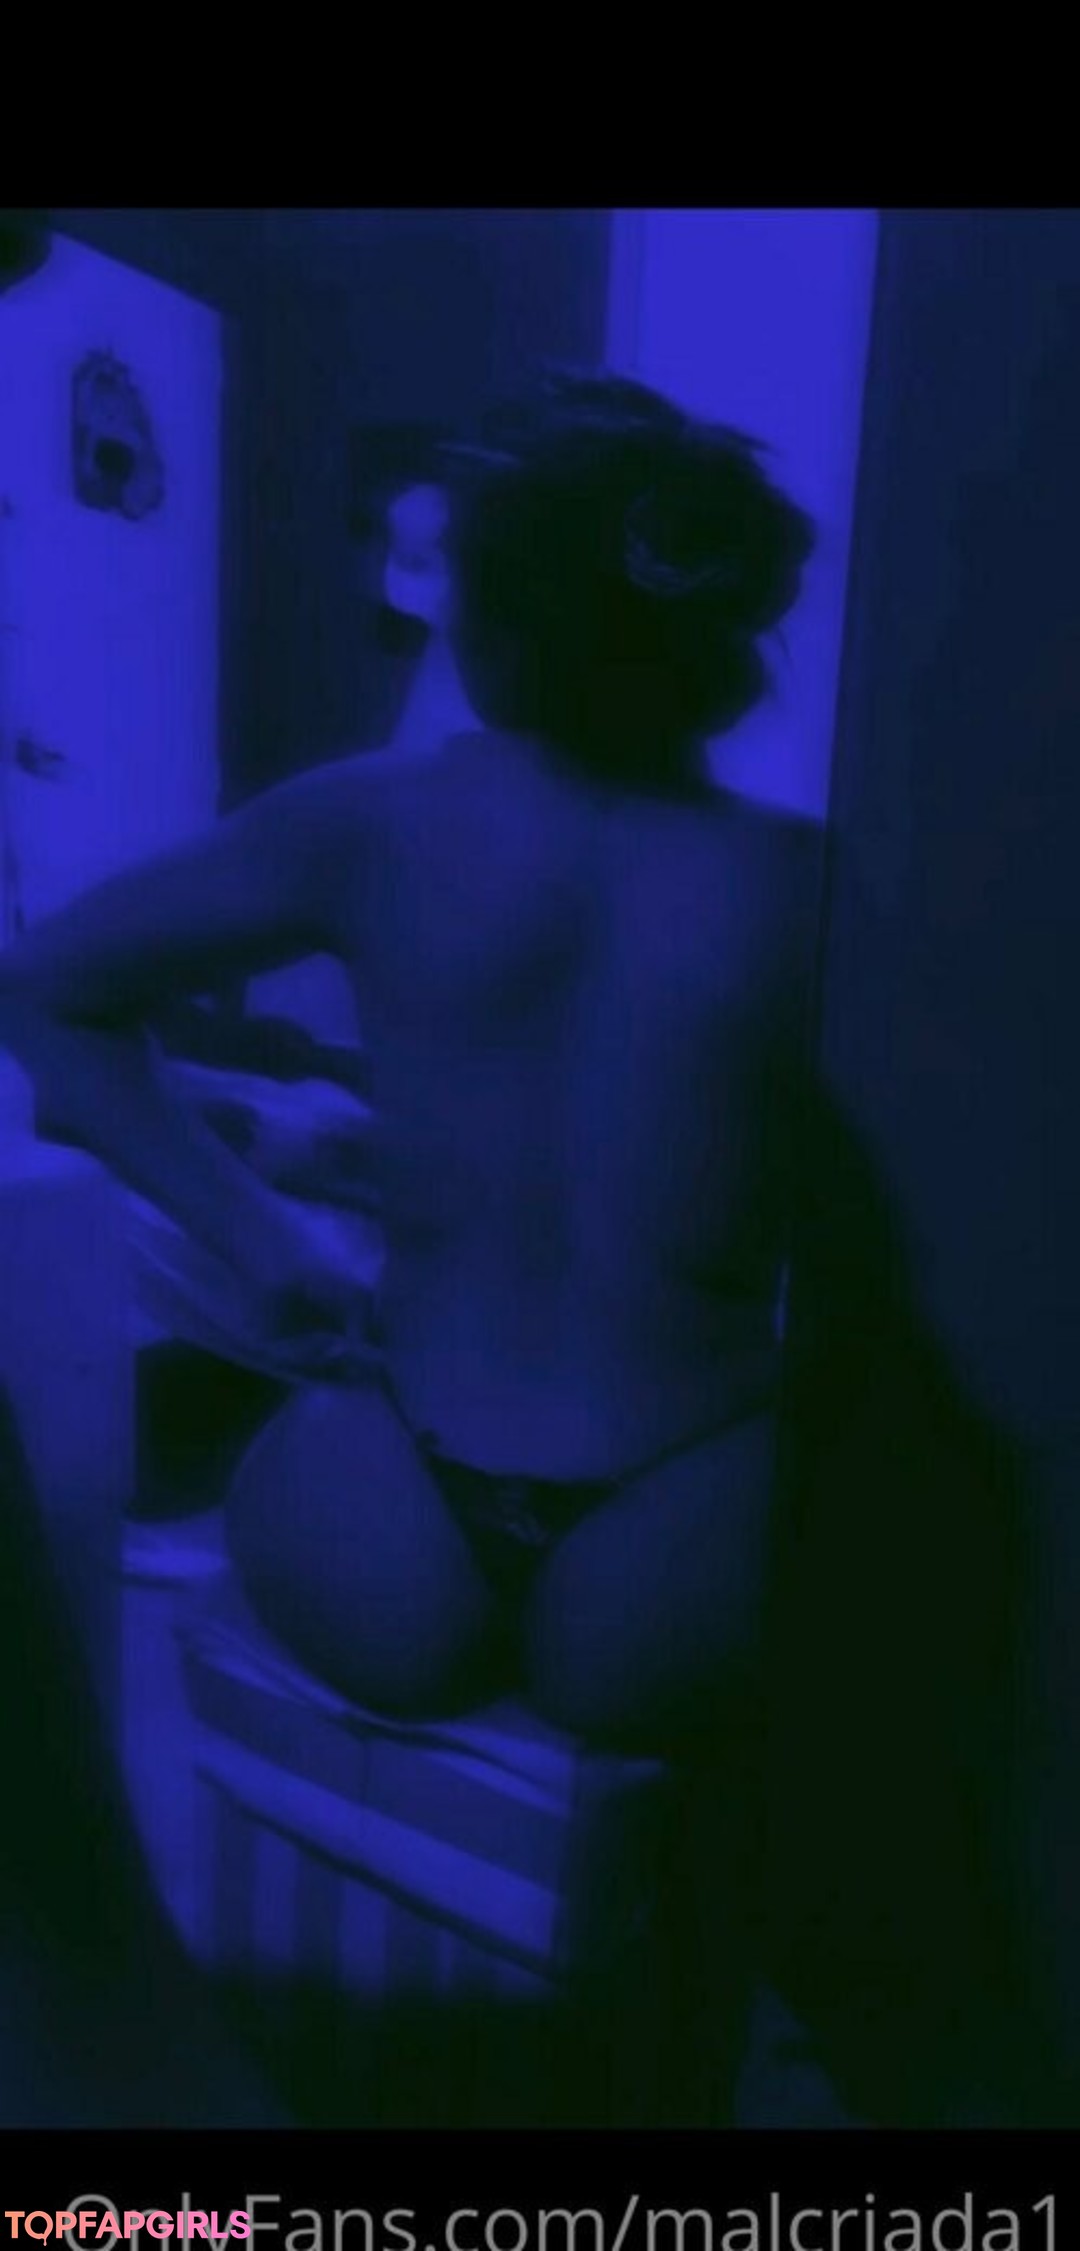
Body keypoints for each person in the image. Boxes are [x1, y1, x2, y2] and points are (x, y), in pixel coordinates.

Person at [0, 371, 820, 1754]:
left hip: (395, 1517)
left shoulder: (376, 822)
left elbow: (43, 991)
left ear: (499, 619)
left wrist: (265, 1243)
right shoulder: (807, 884)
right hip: (681, 1519)